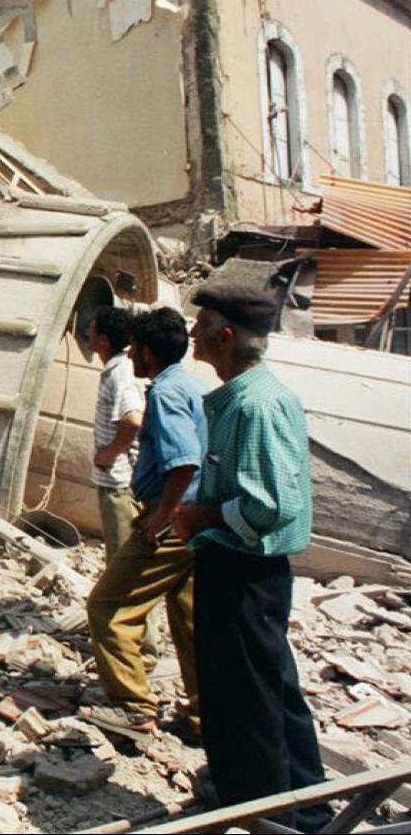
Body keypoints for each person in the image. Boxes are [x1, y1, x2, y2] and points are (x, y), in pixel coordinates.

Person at [171, 284, 333, 831]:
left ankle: (266, 812)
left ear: (224, 337)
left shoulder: (255, 403)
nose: (192, 336)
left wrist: (203, 517)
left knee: (247, 698)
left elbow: (270, 504)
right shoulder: (250, 395)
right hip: (247, 570)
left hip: (243, 569)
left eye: (201, 327)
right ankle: (301, 805)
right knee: (269, 688)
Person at [85, 307, 203, 738]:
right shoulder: (191, 386)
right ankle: (202, 716)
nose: (130, 352)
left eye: (135, 346)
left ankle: (134, 708)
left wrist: (162, 516)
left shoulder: (167, 393)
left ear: (148, 352)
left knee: (108, 606)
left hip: (171, 521)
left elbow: (184, 460)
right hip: (195, 523)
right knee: (190, 621)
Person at [86, 306, 159, 658]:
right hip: (116, 480)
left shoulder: (120, 373)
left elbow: (133, 419)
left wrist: (110, 453)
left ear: (101, 339)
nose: (86, 335)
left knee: (124, 567)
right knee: (123, 563)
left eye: (90, 330)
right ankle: (136, 638)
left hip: (118, 483)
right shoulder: (117, 369)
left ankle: (141, 646)